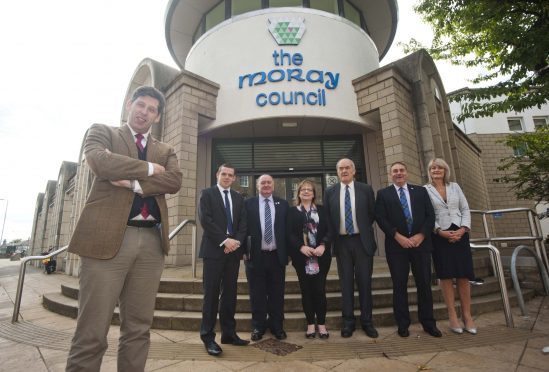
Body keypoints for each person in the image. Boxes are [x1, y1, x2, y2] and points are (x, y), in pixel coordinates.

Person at [66, 86, 182, 372]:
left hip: (152, 245)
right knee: (91, 331)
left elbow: (175, 181)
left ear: (157, 117)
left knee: (139, 329)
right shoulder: (103, 132)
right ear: (130, 105)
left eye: (151, 109)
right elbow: (100, 162)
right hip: (106, 242)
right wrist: (152, 170)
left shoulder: (166, 149)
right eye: (140, 105)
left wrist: (133, 182)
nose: (144, 112)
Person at [375, 161, 442, 338]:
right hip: (397, 247)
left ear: (407, 172)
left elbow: (430, 215)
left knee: (424, 285)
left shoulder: (421, 191)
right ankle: (403, 324)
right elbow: (381, 218)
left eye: (401, 170)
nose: (399, 173)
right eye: (395, 171)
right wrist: (398, 237)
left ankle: (428, 323)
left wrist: (421, 235)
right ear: (391, 174)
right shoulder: (383, 194)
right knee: (399, 286)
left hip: (421, 245)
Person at [323, 158, 378, 338]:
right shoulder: (330, 191)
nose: (344, 171)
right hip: (342, 243)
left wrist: (358, 229)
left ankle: (367, 322)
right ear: (337, 172)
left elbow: (371, 214)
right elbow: (328, 219)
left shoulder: (366, 189)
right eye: (340, 168)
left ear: (354, 171)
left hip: (361, 242)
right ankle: (348, 322)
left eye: (347, 168)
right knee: (345, 283)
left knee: (364, 283)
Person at [198, 164, 249, 356]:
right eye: (224, 174)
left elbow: (243, 223)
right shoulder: (207, 194)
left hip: (233, 252)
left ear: (234, 178)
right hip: (214, 251)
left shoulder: (238, 198)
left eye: (230, 175)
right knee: (210, 296)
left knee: (230, 295)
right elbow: (206, 220)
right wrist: (224, 240)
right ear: (217, 175)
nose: (227, 177)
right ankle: (208, 337)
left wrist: (236, 242)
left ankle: (228, 334)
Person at [425, 158, 477, 334]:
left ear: (445, 170)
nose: (436, 170)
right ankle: (452, 316)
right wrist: (439, 231)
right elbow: (428, 214)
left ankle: (467, 316)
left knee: (463, 276)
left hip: (460, 234)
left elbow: (465, 209)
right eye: (433, 168)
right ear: (429, 171)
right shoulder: (425, 190)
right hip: (440, 237)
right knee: (445, 276)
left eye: (439, 167)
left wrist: (463, 229)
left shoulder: (455, 186)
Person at [244, 174, 289, 341]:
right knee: (257, 294)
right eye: (263, 182)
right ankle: (258, 326)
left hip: (277, 257)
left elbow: (288, 230)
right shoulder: (248, 204)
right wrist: (244, 251)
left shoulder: (283, 204)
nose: (266, 185)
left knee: (277, 294)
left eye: (269, 182)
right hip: (256, 256)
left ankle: (277, 326)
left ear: (274, 185)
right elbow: (243, 228)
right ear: (257, 186)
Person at [287, 180, 332, 338]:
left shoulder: (323, 210)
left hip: (321, 257)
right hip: (302, 258)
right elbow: (289, 233)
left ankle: (321, 324)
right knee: (306, 291)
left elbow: (330, 229)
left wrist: (323, 245)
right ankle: (310, 325)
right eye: (303, 190)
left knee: (319, 291)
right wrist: (301, 247)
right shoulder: (292, 212)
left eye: (309, 190)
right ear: (298, 193)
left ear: (314, 193)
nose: (306, 192)